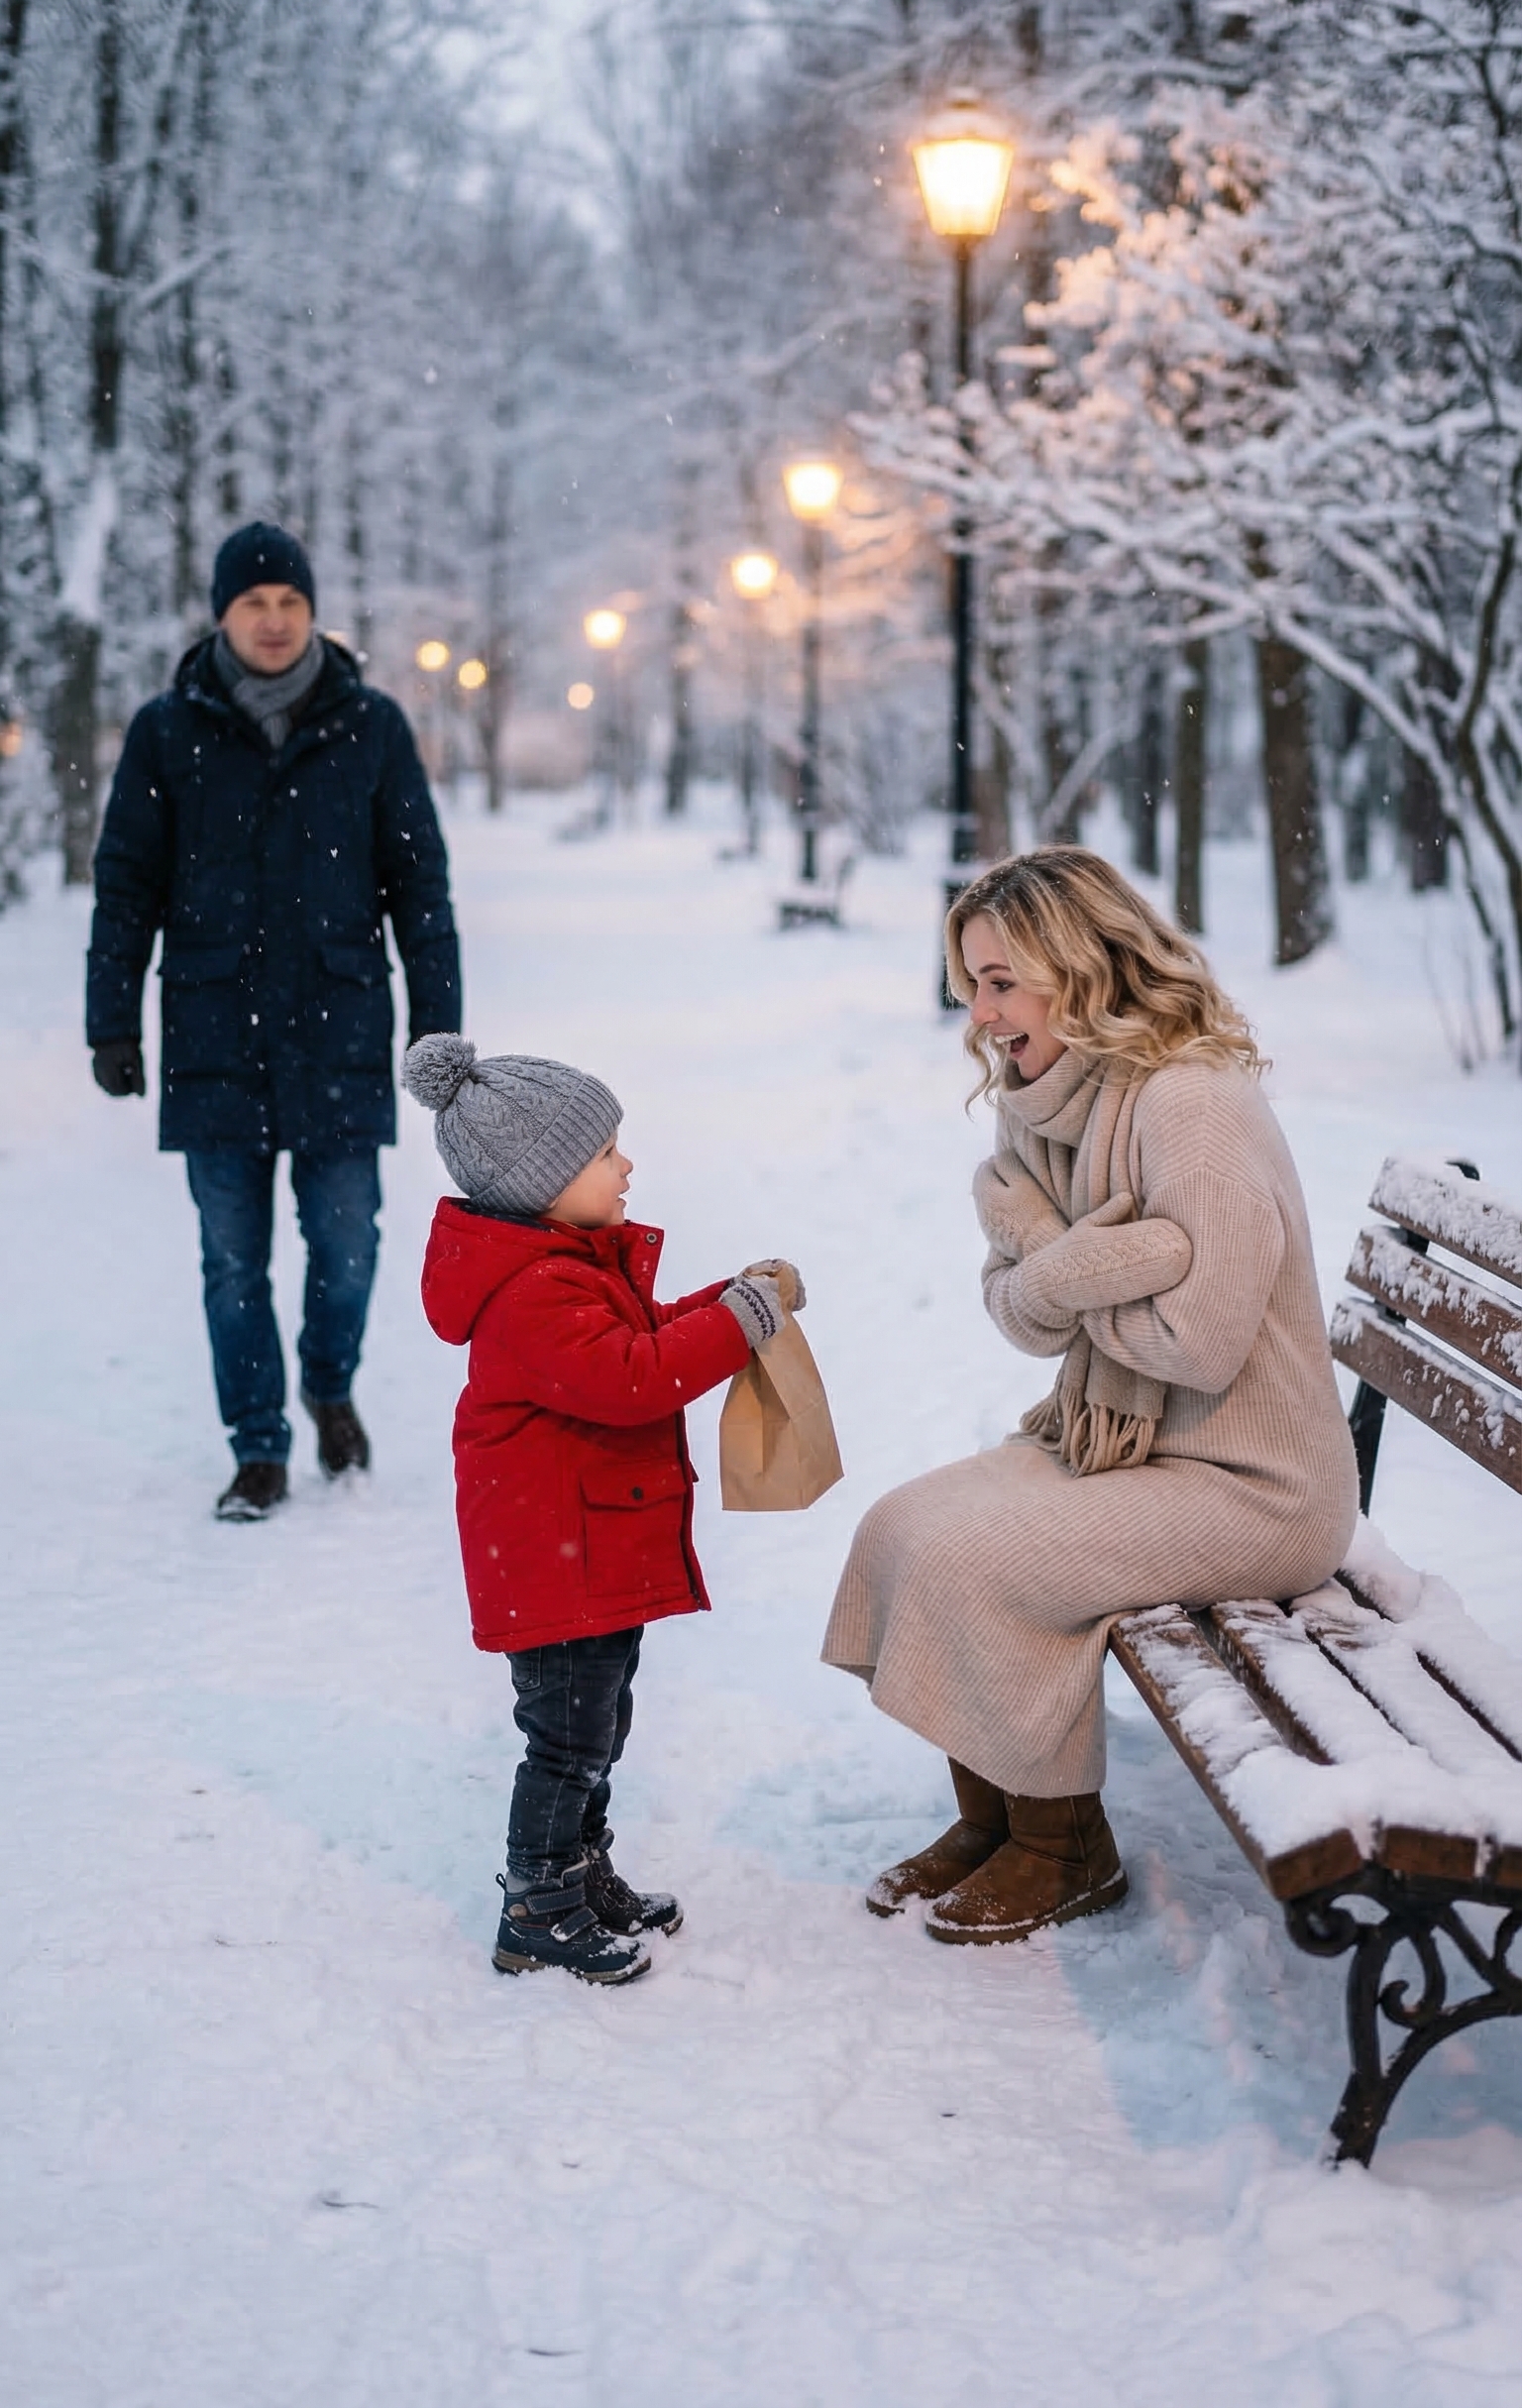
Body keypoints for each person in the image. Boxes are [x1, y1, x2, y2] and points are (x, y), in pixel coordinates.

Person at [822, 845, 1359, 1948]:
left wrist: (1058, 1271)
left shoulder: (1193, 1106)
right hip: (1130, 1444)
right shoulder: (1042, 1104)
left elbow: (1200, 1345)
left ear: (1080, 967)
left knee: (978, 1558)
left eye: (1001, 982)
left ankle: (1066, 1848)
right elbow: (1017, 1312)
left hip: (1258, 1485)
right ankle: (998, 1820)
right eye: (971, 983)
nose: (979, 1014)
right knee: (903, 1525)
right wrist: (1080, 1267)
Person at [406, 1032, 802, 1986]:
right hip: (555, 1564)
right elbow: (634, 1377)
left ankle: (580, 1873)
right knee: (567, 1740)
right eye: (605, 1153)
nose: (627, 1167)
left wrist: (731, 1301)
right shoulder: (533, 1292)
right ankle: (537, 1905)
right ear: (541, 1183)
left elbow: (645, 1332)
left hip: (584, 1553)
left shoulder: (566, 1266)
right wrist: (737, 1324)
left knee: (598, 1726)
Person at [86, 520, 461, 1522]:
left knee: (348, 1244)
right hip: (213, 1030)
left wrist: (437, 1028)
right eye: (253, 601)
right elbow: (125, 885)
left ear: (312, 612)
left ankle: (328, 1385)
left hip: (341, 1024)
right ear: (222, 613)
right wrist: (110, 1020)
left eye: (290, 601)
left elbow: (419, 886)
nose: (274, 619)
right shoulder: (166, 730)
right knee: (232, 1260)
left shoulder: (371, 726)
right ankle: (257, 1445)